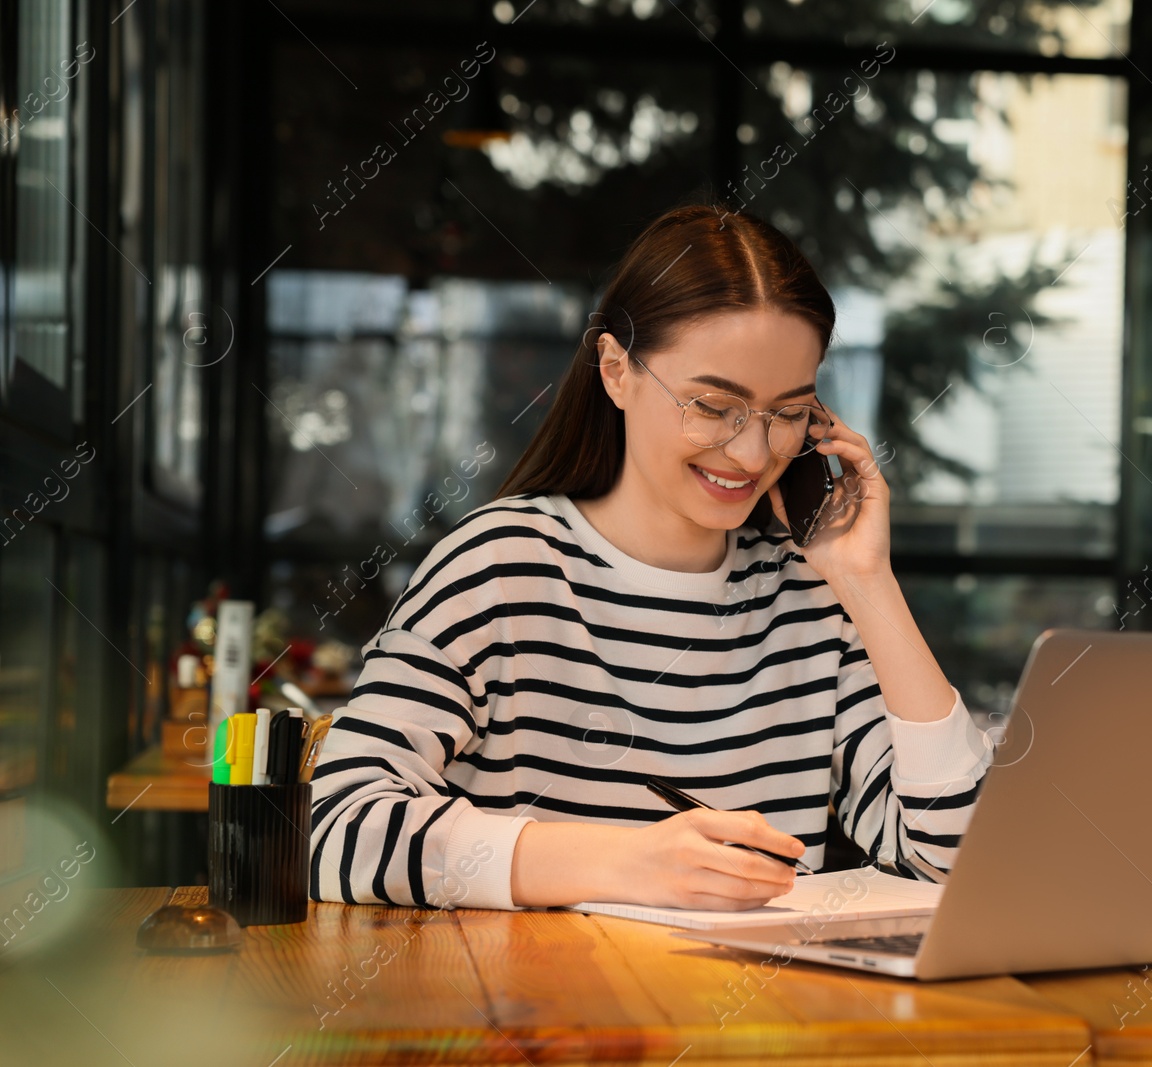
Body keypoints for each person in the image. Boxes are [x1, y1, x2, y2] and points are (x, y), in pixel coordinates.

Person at [309, 203, 992, 912]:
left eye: (788, 412)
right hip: (544, 1016)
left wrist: (866, 582)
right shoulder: (498, 570)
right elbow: (334, 826)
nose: (753, 452)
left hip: (764, 1020)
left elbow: (963, 863)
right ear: (615, 370)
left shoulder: (813, 596)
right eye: (712, 404)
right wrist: (623, 860)